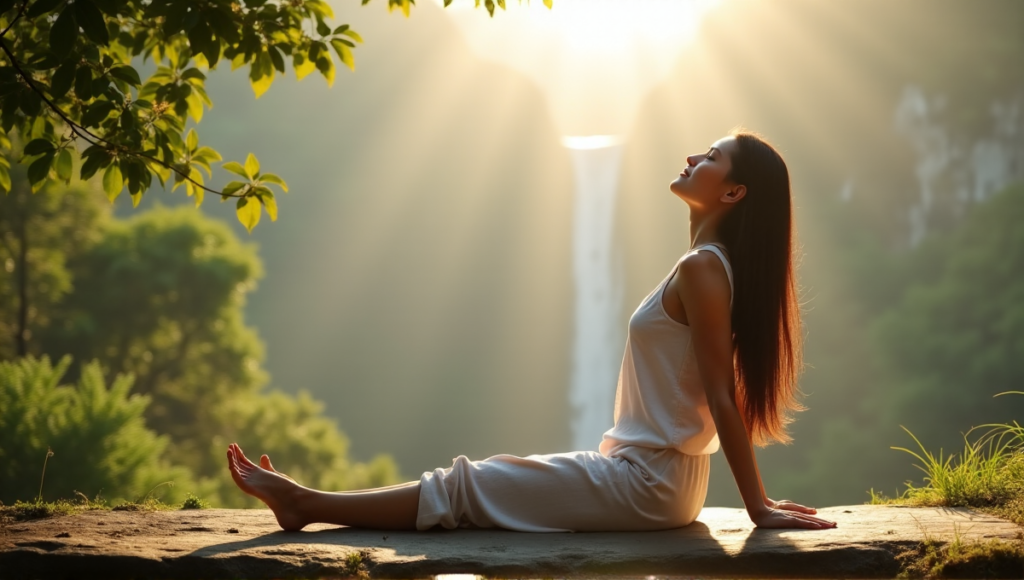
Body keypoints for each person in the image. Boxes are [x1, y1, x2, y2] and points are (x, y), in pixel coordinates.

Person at [226, 131, 839, 533]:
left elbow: (722, 395)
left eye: (710, 157)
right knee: (482, 480)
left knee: (469, 484)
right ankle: (305, 502)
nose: (692, 157)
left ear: (733, 191)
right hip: (651, 477)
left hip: (650, 483)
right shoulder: (707, 267)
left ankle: (304, 504)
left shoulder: (703, 269)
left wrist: (758, 506)